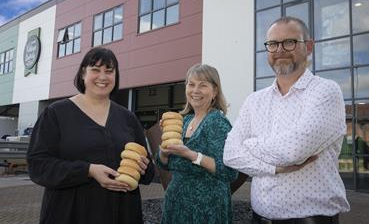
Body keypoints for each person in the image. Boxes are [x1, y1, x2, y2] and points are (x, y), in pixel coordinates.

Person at [223, 16, 350, 224]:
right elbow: (230, 154)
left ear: (308, 47)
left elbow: (293, 151)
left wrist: (249, 145)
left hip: (311, 220)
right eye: (273, 44)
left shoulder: (325, 91)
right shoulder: (254, 100)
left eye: (289, 42)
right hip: (259, 218)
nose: (279, 50)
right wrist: (274, 168)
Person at [27, 47, 155, 224]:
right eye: (95, 70)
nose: (103, 77)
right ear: (82, 73)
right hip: (71, 213)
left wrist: (144, 166)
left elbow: (148, 174)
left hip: (123, 213)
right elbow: (38, 165)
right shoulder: (56, 113)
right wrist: (88, 171)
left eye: (109, 71)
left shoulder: (128, 118)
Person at [156, 63, 238, 224]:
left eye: (203, 85)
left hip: (206, 208)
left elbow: (229, 172)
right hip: (177, 204)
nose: (195, 90)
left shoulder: (217, 122)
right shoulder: (184, 121)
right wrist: (164, 153)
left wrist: (190, 154)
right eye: (191, 84)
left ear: (214, 91)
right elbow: (164, 164)